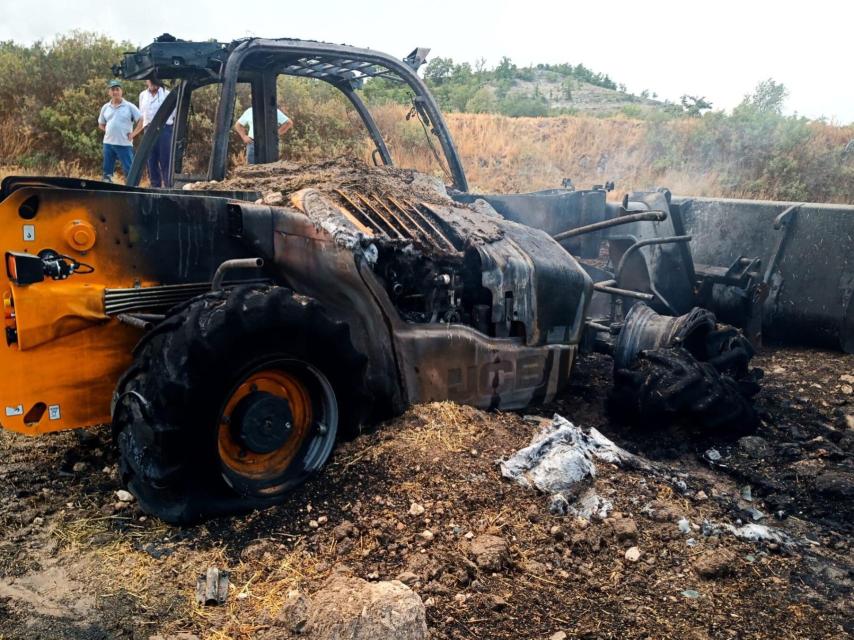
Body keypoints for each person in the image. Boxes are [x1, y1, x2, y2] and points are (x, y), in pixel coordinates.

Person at [98, 80, 143, 182]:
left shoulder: (129, 106)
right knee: (107, 173)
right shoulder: (105, 107)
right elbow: (101, 124)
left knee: (130, 171)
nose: (115, 92)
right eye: (113, 90)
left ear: (121, 91)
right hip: (108, 144)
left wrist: (133, 134)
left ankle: (131, 191)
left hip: (124, 144)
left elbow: (141, 120)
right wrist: (108, 131)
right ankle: (107, 191)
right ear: (109, 92)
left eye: (117, 89)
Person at [138, 77, 175, 188]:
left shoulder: (167, 94)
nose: (152, 82)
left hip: (164, 129)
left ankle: (169, 187)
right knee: (150, 160)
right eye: (150, 79)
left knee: (165, 159)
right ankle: (155, 187)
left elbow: (174, 113)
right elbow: (142, 114)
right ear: (146, 81)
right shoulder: (142, 95)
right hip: (148, 130)